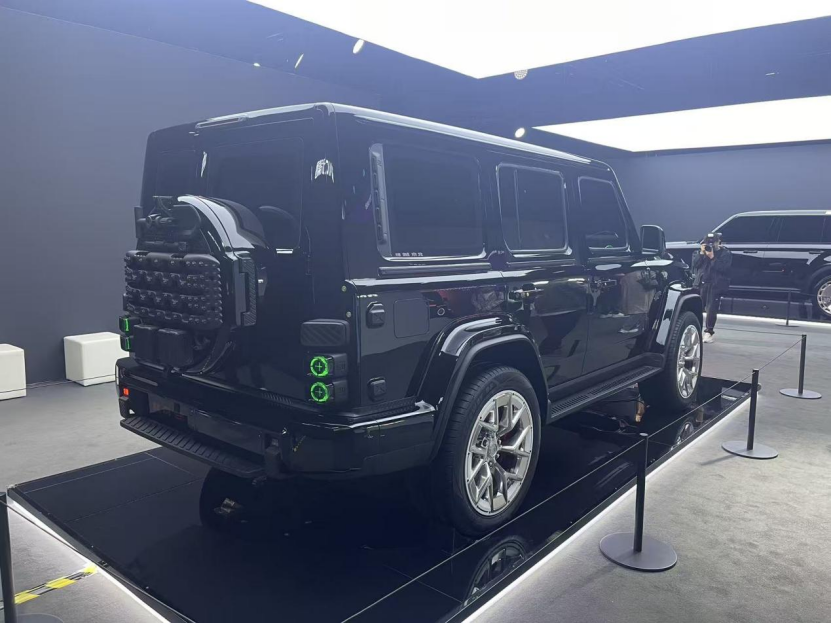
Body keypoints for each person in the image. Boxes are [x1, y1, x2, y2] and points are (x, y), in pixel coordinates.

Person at [694, 232, 732, 343]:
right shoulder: (701, 252)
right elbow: (695, 265)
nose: (710, 245)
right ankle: (695, 330)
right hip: (701, 283)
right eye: (708, 243)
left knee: (711, 309)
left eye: (713, 242)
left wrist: (712, 257)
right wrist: (702, 253)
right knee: (697, 308)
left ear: (719, 242)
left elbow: (723, 268)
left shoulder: (725, 253)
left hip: (715, 285)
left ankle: (708, 332)